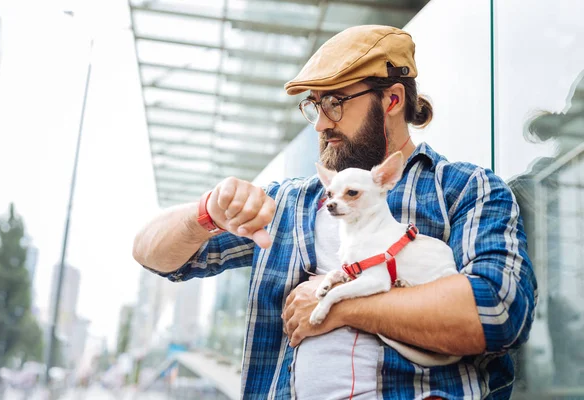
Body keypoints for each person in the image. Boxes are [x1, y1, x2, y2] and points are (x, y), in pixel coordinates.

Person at [133, 25, 537, 399]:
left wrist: (336, 306)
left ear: (392, 99)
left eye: (334, 102)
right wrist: (206, 212)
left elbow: (498, 309)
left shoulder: (465, 189)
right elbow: (154, 256)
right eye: (314, 105)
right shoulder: (285, 204)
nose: (320, 123)